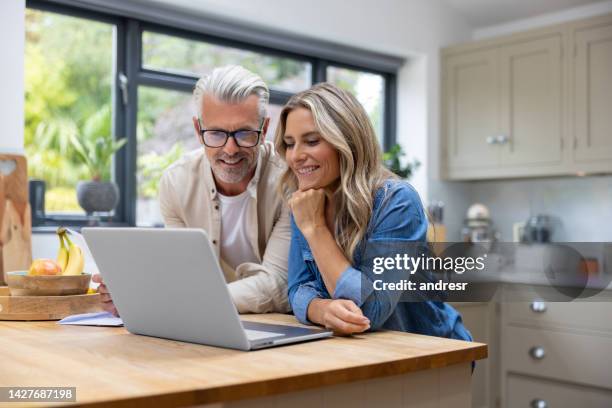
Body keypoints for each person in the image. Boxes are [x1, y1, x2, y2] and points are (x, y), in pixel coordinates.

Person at [274, 82, 472, 340]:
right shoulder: (305, 201)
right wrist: (321, 310)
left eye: (311, 141)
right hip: (367, 352)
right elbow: (297, 288)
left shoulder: (396, 201)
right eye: (290, 144)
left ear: (346, 140)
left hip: (433, 353)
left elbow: (371, 309)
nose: (296, 156)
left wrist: (316, 229)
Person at [94, 65, 291, 316]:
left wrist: (168, 299)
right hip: (204, 320)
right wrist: (136, 293)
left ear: (264, 130)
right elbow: (183, 273)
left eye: (244, 133)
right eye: (217, 133)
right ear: (198, 130)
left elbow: (276, 284)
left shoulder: (288, 181)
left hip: (276, 326)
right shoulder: (176, 184)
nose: (230, 149)